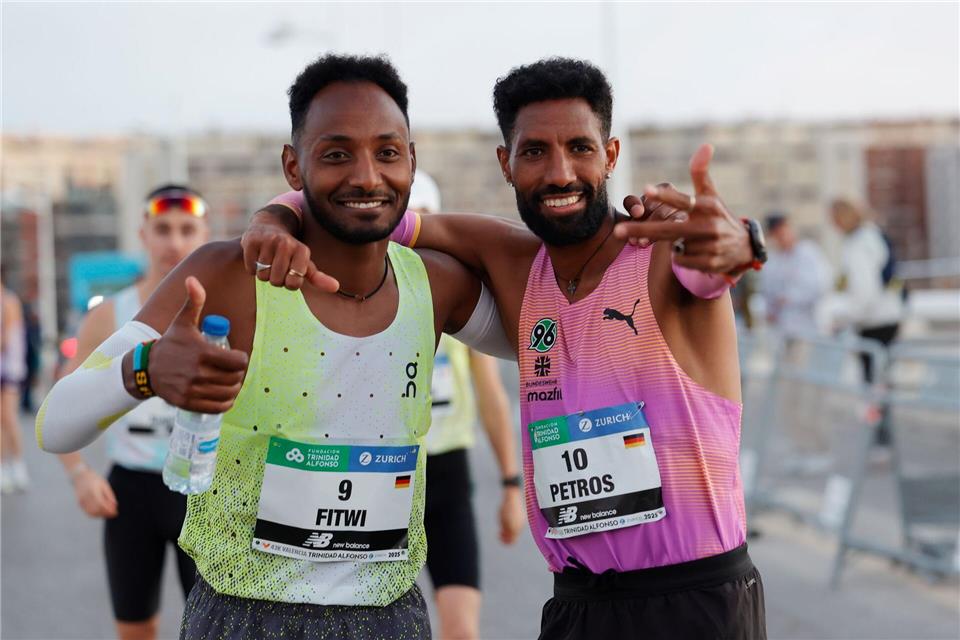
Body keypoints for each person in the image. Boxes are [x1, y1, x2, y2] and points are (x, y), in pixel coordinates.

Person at [246, 57, 768, 639]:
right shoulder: (514, 263)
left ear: (612, 155)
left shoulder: (665, 256)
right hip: (576, 603)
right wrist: (271, 218)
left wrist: (741, 240)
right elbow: (364, 208)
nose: (559, 172)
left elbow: (718, 259)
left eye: (580, 147)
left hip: (694, 600)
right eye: (535, 152)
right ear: (506, 163)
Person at [37, 54, 510, 640]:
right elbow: (55, 424)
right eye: (336, 154)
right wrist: (144, 370)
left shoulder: (436, 285)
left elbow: (555, 338)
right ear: (294, 165)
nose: (366, 176)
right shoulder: (228, 274)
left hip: (389, 617)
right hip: (244, 615)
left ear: (411, 161)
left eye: (388, 152)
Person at [55, 184, 210, 640]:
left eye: (187, 230)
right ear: (143, 234)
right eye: (162, 229)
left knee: (212, 630)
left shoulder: (229, 309)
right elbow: (63, 400)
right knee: (135, 628)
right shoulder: (110, 315)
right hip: (132, 493)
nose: (175, 243)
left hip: (206, 492)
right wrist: (79, 474)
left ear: (205, 234)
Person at [407, 172, 524, 640]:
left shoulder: (457, 298)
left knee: (461, 631)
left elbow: (491, 396)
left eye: (423, 222)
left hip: (447, 473)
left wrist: (512, 484)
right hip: (382, 475)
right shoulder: (360, 299)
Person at [829, 198, 904, 382]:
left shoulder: (859, 245)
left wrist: (845, 317)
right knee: (884, 382)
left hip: (874, 320)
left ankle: (879, 411)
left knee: (875, 385)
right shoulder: (872, 235)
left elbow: (865, 291)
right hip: (887, 314)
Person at [760, 213, 832, 337]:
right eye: (776, 235)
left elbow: (819, 286)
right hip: (781, 329)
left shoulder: (808, 253)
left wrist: (789, 299)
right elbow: (767, 292)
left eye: (782, 232)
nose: (781, 238)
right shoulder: (772, 261)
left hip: (808, 326)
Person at [1, 275, 29, 493]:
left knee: (9, 418)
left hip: (10, 369)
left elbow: (6, 340)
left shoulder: (9, 301)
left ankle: (17, 464)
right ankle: (3, 466)